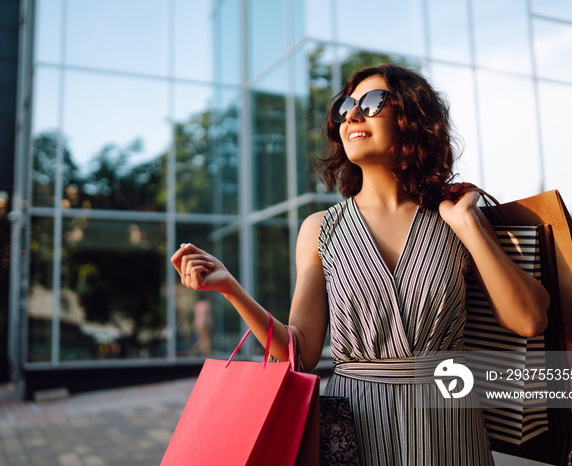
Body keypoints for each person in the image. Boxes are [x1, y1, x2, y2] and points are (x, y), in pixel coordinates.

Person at [170, 64, 550, 466]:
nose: (352, 115)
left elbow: (529, 320)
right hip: (354, 426)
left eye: (371, 103)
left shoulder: (456, 216)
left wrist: (467, 225)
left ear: (413, 117)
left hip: (449, 423)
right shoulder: (320, 229)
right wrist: (231, 287)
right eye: (345, 107)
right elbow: (299, 354)